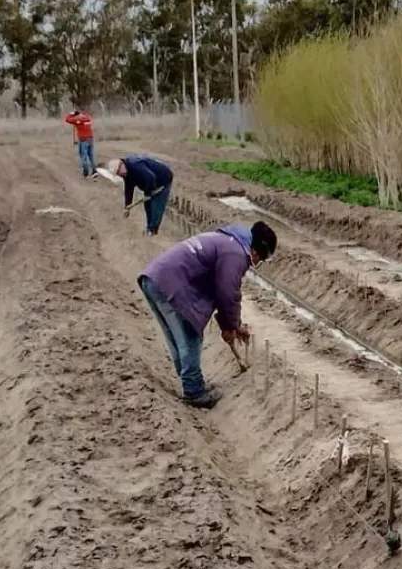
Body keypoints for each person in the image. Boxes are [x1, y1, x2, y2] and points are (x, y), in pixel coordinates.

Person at [137, 221, 278, 408]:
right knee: (189, 334)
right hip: (171, 283)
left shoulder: (227, 240)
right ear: (256, 251)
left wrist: (232, 326)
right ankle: (194, 390)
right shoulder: (236, 253)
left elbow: (219, 292)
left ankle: (191, 379)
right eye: (261, 260)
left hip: (156, 278)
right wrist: (231, 326)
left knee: (177, 336)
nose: (257, 264)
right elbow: (228, 293)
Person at [106, 155, 174, 236]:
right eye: (117, 174)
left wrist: (149, 193)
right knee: (147, 204)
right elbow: (128, 190)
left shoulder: (135, 166)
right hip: (151, 182)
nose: (119, 174)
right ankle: (149, 228)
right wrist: (127, 207)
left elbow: (150, 177)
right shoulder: (126, 174)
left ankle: (153, 230)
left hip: (163, 178)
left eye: (118, 172)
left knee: (156, 205)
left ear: (122, 164)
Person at [64, 109, 97, 178]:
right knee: (91, 156)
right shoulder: (88, 118)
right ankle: (94, 171)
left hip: (83, 140)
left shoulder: (76, 119)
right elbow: (87, 114)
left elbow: (67, 119)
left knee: (83, 156)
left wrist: (71, 113)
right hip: (90, 138)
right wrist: (82, 112)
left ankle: (86, 172)